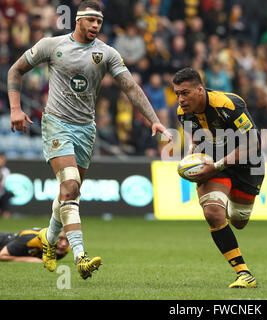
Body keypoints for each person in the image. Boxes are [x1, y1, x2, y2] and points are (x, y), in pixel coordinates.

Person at [7, 1, 172, 280]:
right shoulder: (51, 45)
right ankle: (80, 257)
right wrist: (15, 109)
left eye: (99, 22)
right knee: (70, 187)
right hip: (56, 123)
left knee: (69, 193)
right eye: (91, 20)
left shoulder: (106, 53)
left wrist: (153, 118)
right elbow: (15, 70)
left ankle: (48, 239)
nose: (96, 26)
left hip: (86, 129)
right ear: (78, 20)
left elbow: (130, 87)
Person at [173, 67, 265, 288]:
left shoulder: (229, 105)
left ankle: (231, 197)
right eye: (177, 93)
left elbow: (253, 145)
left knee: (238, 221)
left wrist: (217, 165)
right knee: (213, 213)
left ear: (199, 90)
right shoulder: (182, 113)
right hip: (213, 161)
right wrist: (189, 160)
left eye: (185, 93)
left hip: (246, 164)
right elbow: (195, 140)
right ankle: (244, 273)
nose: (180, 99)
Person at [0, 228, 69, 263]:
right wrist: (29, 259)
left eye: (68, 240)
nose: (64, 244)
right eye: (60, 238)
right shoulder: (31, 239)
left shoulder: (64, 250)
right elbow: (2, 255)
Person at [0, 153, 13, 219]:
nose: (1, 161)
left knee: (7, 194)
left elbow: (5, 183)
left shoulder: (6, 171)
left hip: (2, 194)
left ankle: (5, 212)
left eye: (3, 159)